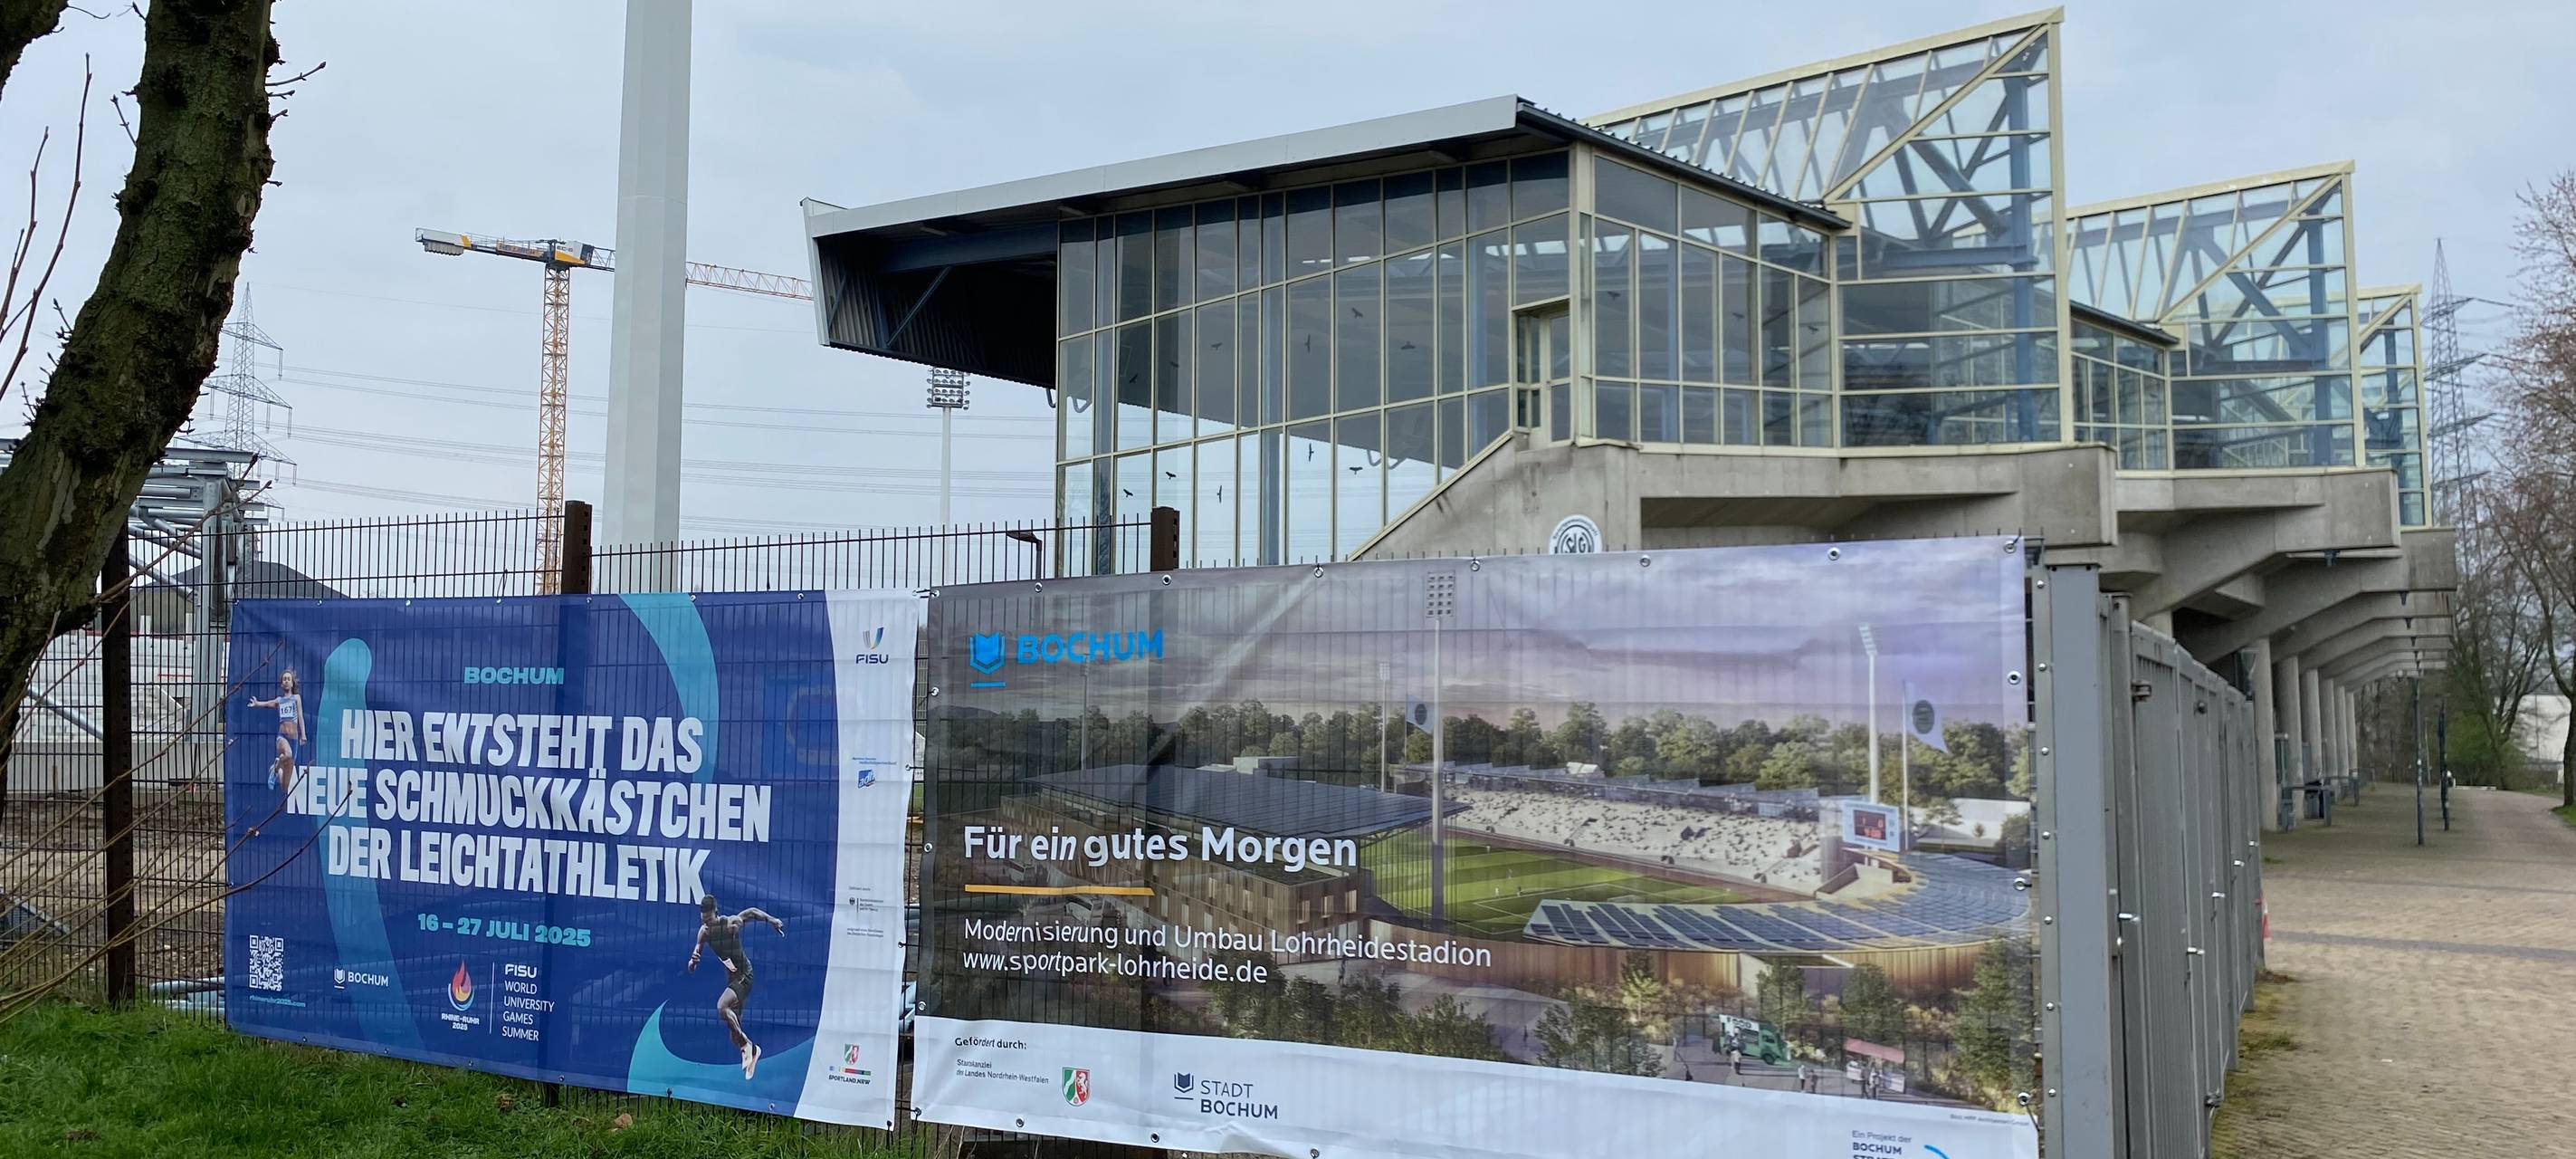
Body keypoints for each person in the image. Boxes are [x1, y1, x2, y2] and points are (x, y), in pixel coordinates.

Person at [688, 895, 785, 1078]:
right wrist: (693, 962)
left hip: (745, 975)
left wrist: (772, 920)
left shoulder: (731, 924)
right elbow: (692, 964)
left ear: (716, 914)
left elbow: (752, 912)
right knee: (733, 1035)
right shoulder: (704, 932)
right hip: (733, 979)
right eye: (704, 921)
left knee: (722, 1007)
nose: (707, 924)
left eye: (709, 920)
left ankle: (748, 1046)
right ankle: (751, 1052)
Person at [246, 670, 303, 792]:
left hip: (294, 739)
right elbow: (267, 704)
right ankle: (276, 769)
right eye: (284, 679)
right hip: (282, 737)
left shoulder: (296, 698)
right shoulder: (279, 700)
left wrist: (303, 734)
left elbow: (300, 716)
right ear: (282, 684)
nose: (286, 681)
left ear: (292, 683)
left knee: (285, 787)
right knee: (288, 754)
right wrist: (257, 703)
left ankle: (279, 769)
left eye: (288, 679)